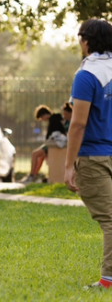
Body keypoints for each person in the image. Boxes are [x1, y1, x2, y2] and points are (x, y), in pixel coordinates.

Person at [65, 18, 112, 290]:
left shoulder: (87, 75)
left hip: (94, 157)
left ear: (86, 41)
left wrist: (69, 165)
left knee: (109, 220)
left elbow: (78, 123)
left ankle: (108, 281)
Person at [25, 104, 67, 183]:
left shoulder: (54, 119)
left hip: (52, 143)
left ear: (44, 114)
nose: (42, 119)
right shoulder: (54, 118)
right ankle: (34, 174)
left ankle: (32, 175)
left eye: (41, 117)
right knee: (40, 157)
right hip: (51, 143)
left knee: (35, 154)